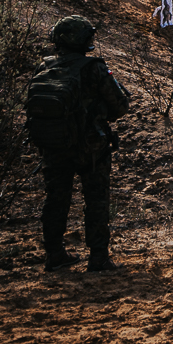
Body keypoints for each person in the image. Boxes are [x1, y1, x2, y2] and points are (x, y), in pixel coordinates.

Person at [24, 15, 132, 272]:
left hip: (54, 146)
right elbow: (121, 106)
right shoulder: (94, 68)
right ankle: (98, 257)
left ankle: (54, 254)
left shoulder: (44, 67)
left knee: (55, 200)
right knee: (96, 201)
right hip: (90, 147)